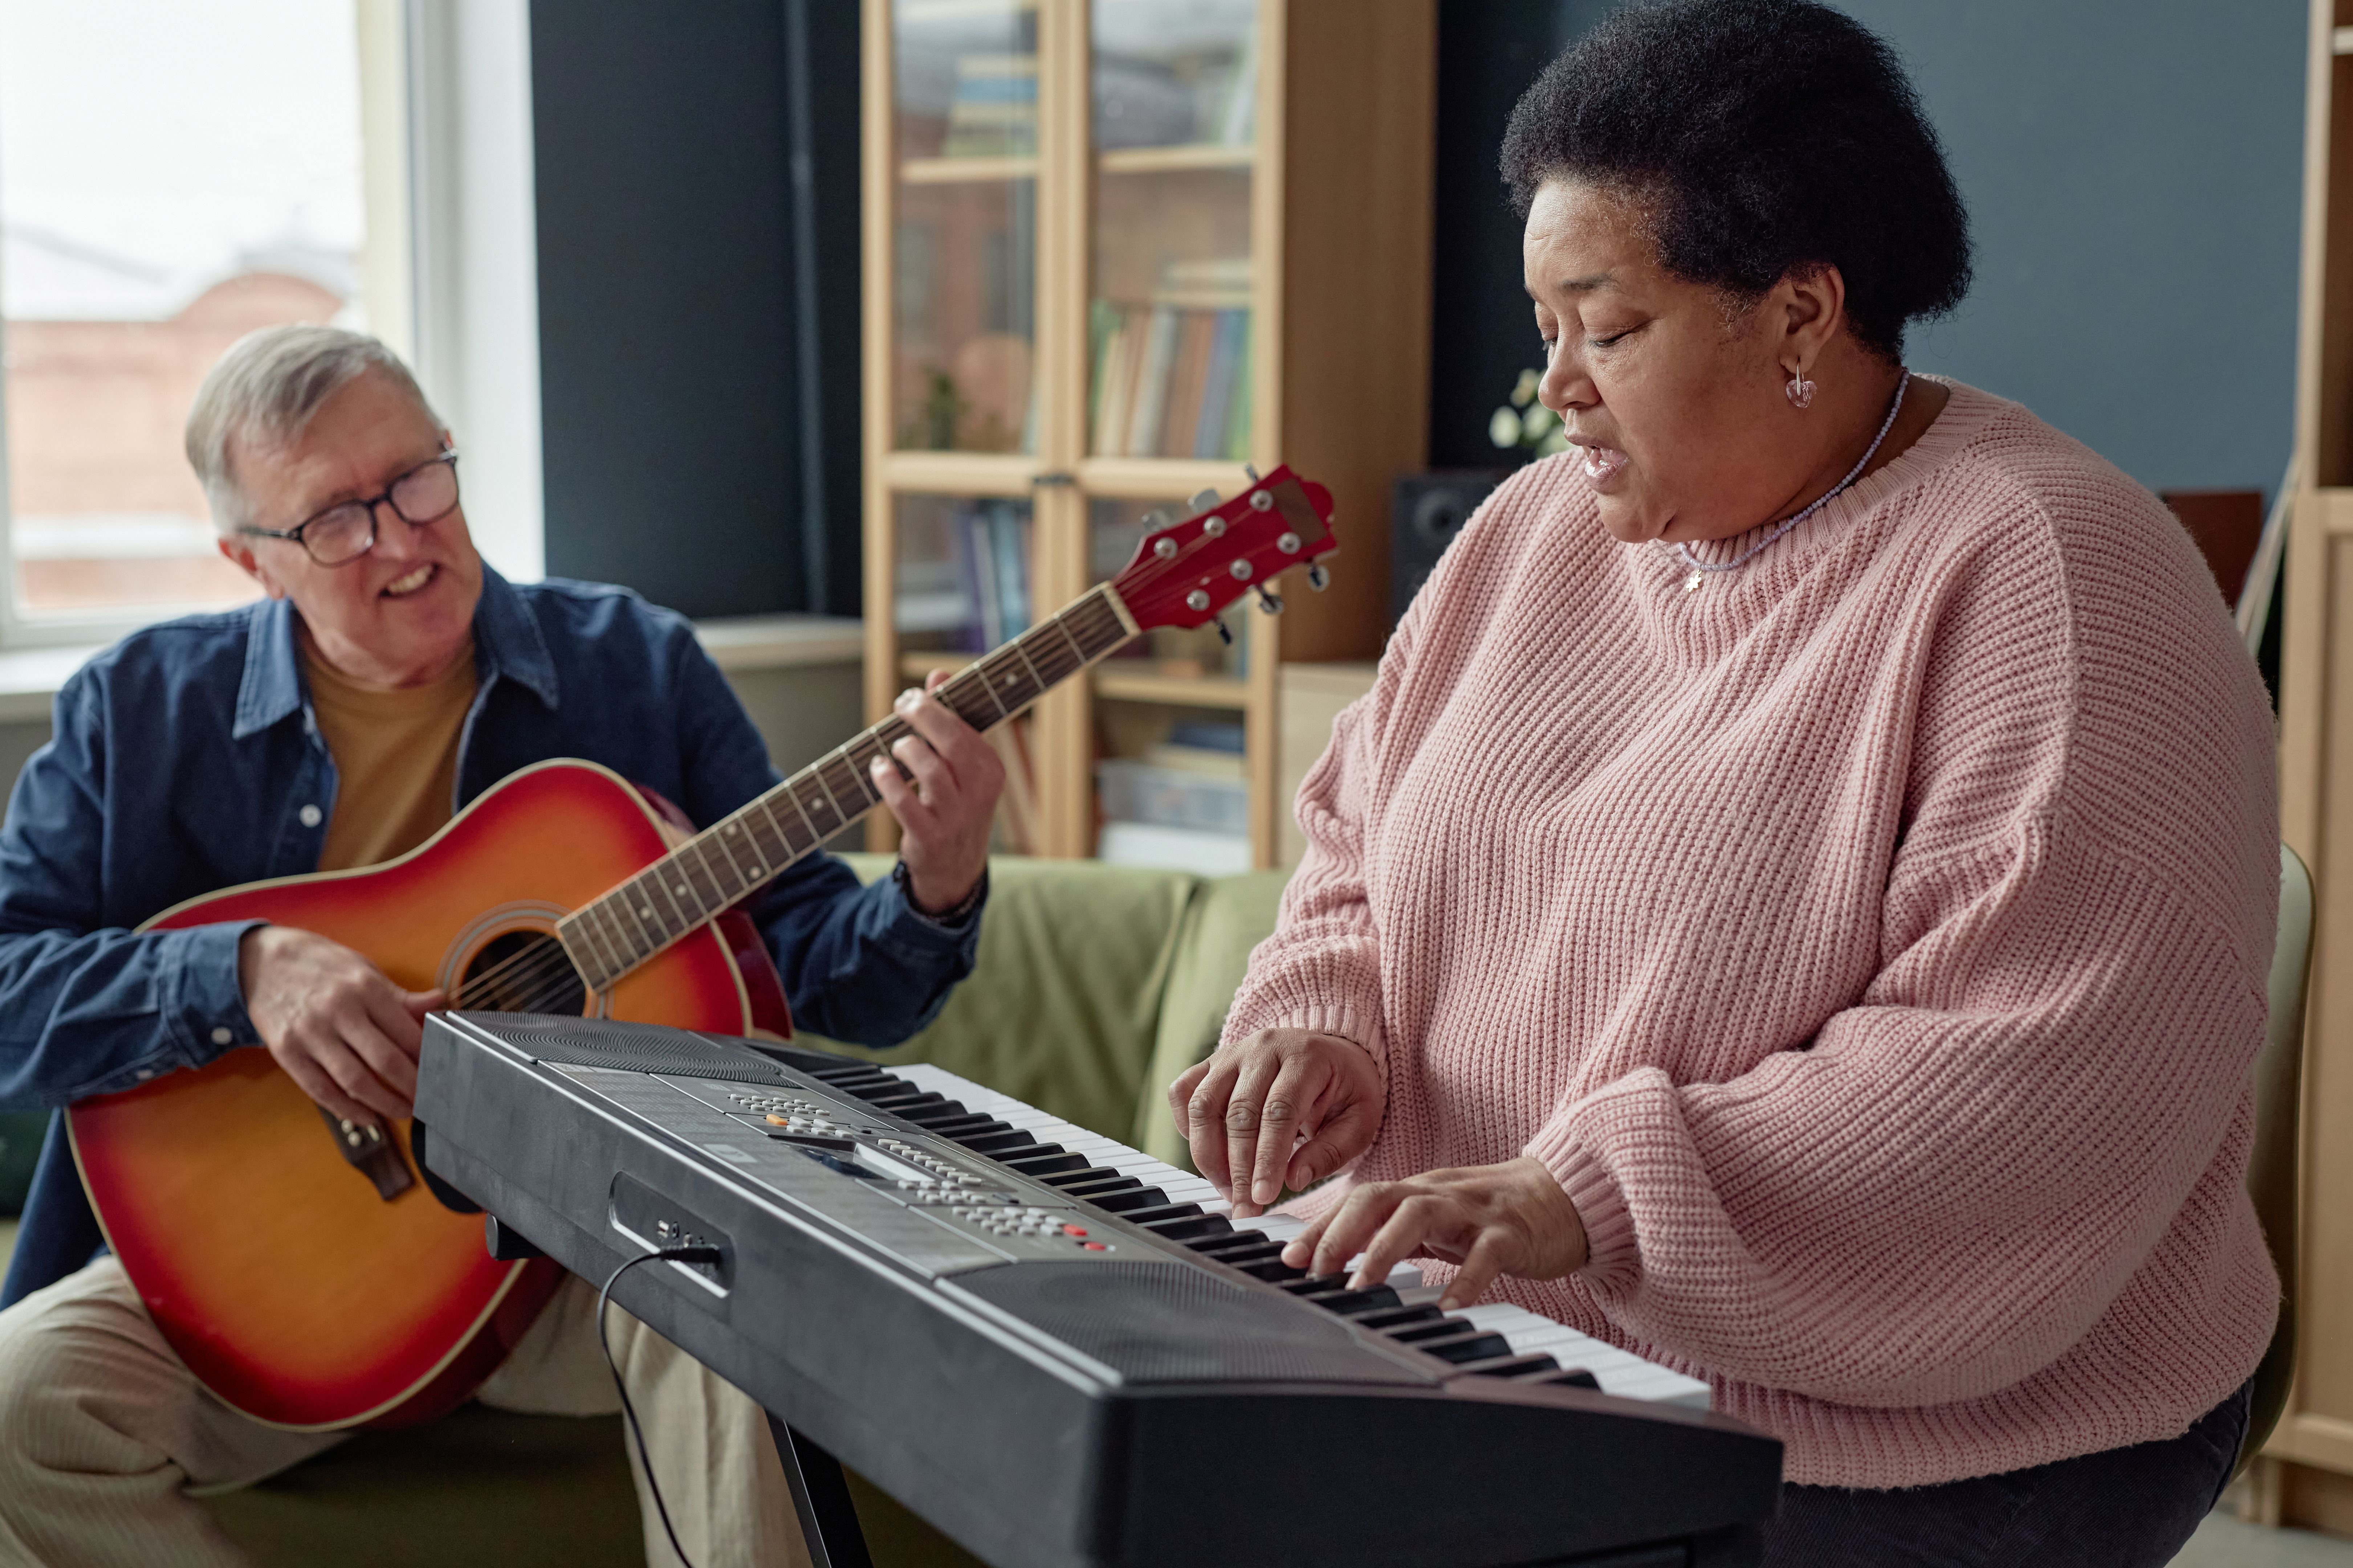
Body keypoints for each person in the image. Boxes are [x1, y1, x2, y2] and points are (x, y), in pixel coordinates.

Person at [1176, 3, 2278, 1563]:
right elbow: (1358, 847)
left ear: (1799, 317)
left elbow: (2023, 1079)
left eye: (1603, 327)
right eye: (1542, 326)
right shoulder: (1528, 535)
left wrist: (1589, 1201)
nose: (1554, 386)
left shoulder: (2052, 576)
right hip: (1506, 1347)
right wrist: (1323, 1012)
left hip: (1920, 1435)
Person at [0, 324, 1005, 1568]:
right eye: (335, 519)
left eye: (419, 478)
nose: (404, 536)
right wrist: (245, 970)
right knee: (20, 1404)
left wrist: (936, 876)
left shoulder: (633, 666)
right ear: (249, 562)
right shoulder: (136, 713)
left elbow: (816, 962)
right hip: (266, 1273)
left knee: (725, 1293)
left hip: (578, 1256)